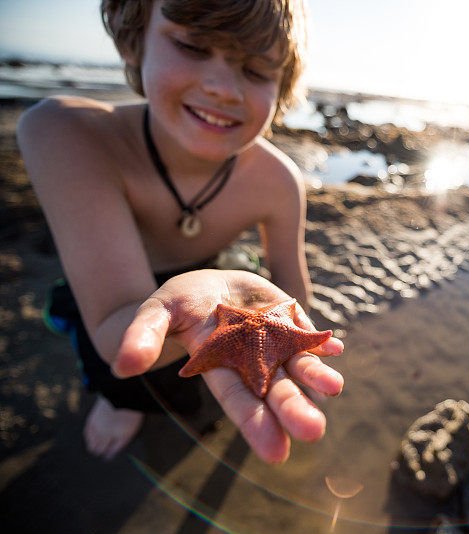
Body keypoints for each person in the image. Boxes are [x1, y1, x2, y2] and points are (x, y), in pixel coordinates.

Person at [16, 0, 343, 463]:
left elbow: (291, 292)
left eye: (255, 71)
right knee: (122, 362)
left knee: (190, 367)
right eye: (192, 45)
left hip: (216, 286)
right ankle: (119, 402)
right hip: (109, 289)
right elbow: (113, 327)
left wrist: (284, 342)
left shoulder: (279, 182)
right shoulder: (68, 133)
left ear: (282, 85)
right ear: (134, 39)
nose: (222, 87)